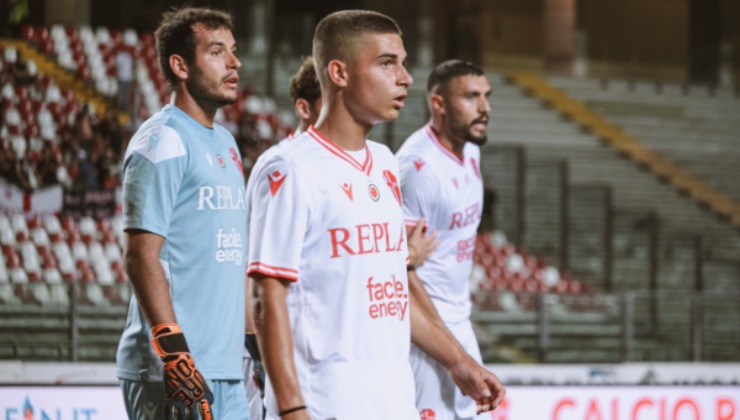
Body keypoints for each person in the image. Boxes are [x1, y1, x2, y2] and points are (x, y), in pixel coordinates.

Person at [246, 10, 504, 420]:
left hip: (394, 401)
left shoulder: (384, 163)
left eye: (402, 63)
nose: (405, 77)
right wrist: (292, 407)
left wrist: (458, 361)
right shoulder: (290, 169)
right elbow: (265, 296)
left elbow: (393, 288)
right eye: (387, 63)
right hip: (326, 404)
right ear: (339, 73)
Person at [116, 7, 249, 420]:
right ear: (181, 65)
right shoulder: (162, 140)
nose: (234, 62)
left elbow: (231, 256)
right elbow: (141, 255)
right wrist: (175, 356)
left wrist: (254, 350)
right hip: (173, 372)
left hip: (226, 369)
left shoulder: (226, 141)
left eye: (233, 50)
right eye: (216, 52)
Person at [396, 59, 493, 420]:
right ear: (438, 104)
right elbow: (404, 274)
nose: (485, 107)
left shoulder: (471, 150)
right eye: (471, 97)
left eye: (486, 96)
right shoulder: (416, 168)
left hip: (459, 318)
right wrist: (451, 349)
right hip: (427, 331)